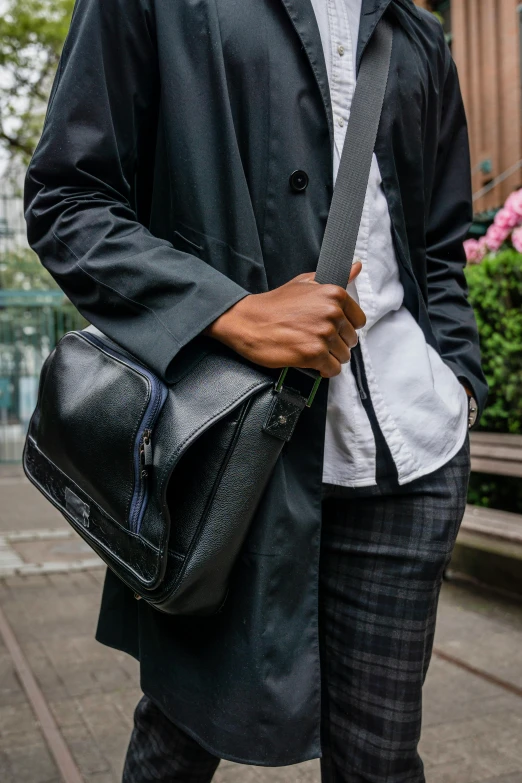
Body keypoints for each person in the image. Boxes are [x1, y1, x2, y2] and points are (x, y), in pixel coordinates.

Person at [24, 0, 487, 779]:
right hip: (225, 452)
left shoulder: (416, 35)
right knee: (176, 744)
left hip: (408, 460)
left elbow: (440, 247)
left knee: (381, 764)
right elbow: (67, 200)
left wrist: (459, 387)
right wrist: (231, 312)